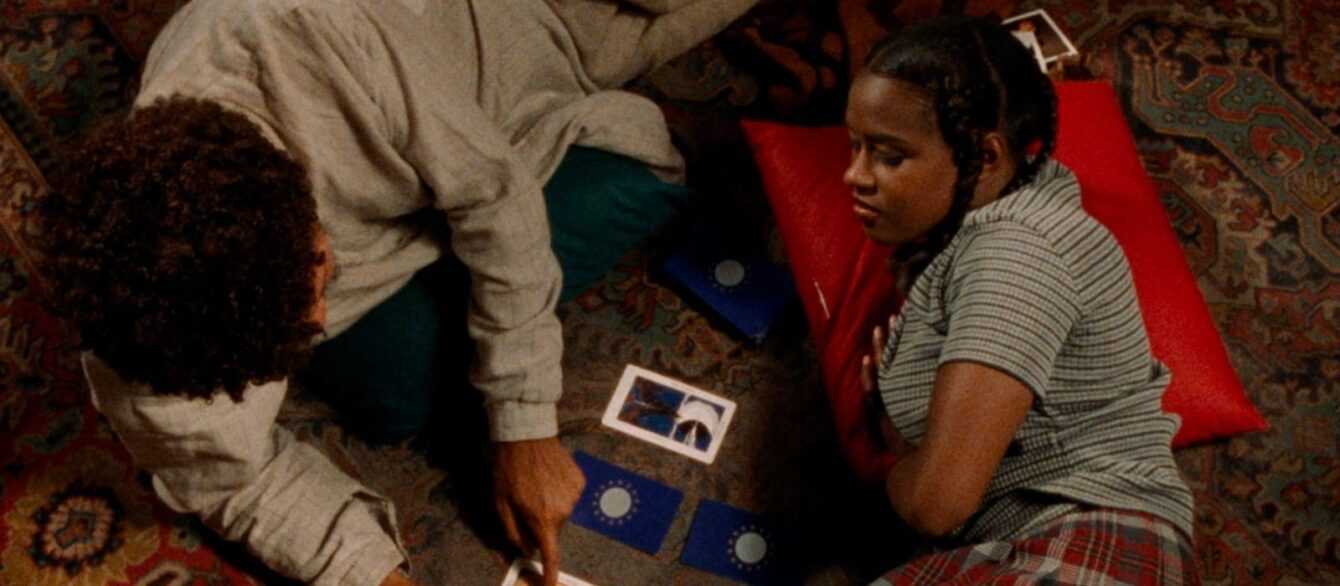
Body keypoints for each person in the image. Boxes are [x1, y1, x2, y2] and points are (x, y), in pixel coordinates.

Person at [34, 1, 759, 585]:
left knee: (643, 150)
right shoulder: (143, 348)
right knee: (400, 391)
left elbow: (496, 199)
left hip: (504, 50)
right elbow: (229, 481)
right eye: (292, 324)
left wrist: (524, 426)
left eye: (314, 271)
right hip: (437, 169)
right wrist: (378, 577)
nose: (319, 317)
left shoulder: (305, 33)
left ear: (296, 190)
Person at [842, 16, 1198, 584]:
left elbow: (937, 502)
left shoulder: (1017, 251)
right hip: (1031, 542)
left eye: (888, 156)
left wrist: (898, 461)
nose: (852, 175)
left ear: (986, 158)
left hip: (1088, 544)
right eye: (854, 145)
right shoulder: (993, 232)